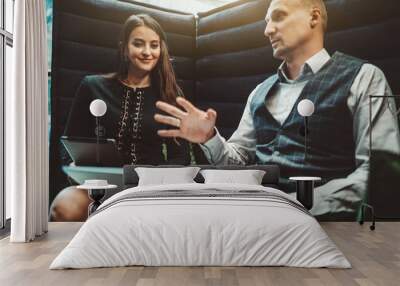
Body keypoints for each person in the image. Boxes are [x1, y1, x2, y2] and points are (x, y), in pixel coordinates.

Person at [154, 0, 400, 217]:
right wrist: (208, 138)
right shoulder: (259, 92)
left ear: (314, 17)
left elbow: (377, 173)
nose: (267, 29)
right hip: (260, 218)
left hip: (329, 225)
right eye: (266, 21)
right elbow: (238, 161)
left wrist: (295, 207)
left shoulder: (364, 77)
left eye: (279, 16)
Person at [50, 14, 190, 221]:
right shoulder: (92, 86)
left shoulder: (171, 95)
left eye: (154, 45)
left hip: (150, 189)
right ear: (124, 48)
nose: (147, 52)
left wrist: (159, 181)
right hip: (99, 186)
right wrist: (74, 166)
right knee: (63, 207)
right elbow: (68, 144)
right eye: (138, 44)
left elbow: (181, 157)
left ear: (161, 51)